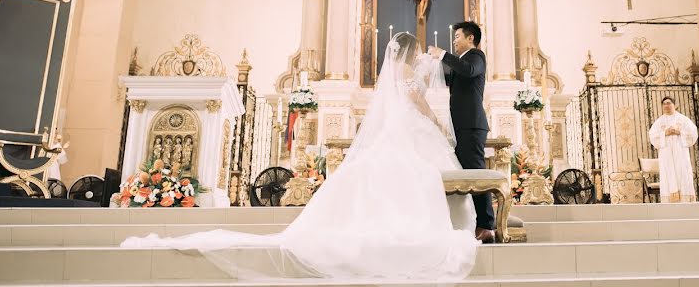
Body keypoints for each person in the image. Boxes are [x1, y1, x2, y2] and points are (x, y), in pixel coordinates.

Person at [122, 32, 478, 282]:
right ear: (411, 51)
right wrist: (435, 123)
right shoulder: (411, 72)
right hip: (412, 131)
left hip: (392, 134)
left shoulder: (390, 74)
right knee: (421, 174)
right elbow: (418, 103)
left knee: (386, 175)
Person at [428, 21, 495, 243]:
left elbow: (468, 71)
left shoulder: (476, 56)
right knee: (466, 175)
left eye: (458, 36)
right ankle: (474, 221)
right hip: (462, 127)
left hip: (472, 125)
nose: (454, 40)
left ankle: (486, 225)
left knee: (476, 174)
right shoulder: (463, 62)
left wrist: (443, 55)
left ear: (470, 38)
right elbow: (455, 78)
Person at [648, 97, 698, 203]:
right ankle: (670, 203)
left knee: (682, 172)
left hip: (681, 152)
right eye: (664, 104)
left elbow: (693, 133)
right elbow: (652, 136)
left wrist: (679, 132)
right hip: (666, 154)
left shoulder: (683, 119)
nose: (666, 105)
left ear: (674, 105)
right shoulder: (659, 122)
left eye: (669, 103)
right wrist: (664, 133)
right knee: (668, 172)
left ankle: (686, 201)